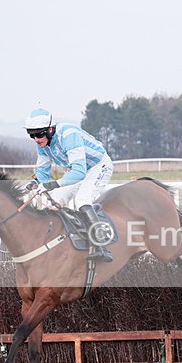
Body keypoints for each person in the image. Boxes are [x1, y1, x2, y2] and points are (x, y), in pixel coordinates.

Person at [24, 107, 114, 262]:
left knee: (81, 200)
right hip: (78, 170)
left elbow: (79, 173)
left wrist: (52, 185)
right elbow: (43, 170)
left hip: (98, 167)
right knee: (54, 200)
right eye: (31, 135)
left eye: (39, 134)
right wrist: (36, 182)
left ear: (50, 129)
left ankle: (101, 245)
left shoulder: (68, 135)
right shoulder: (42, 144)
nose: (36, 139)